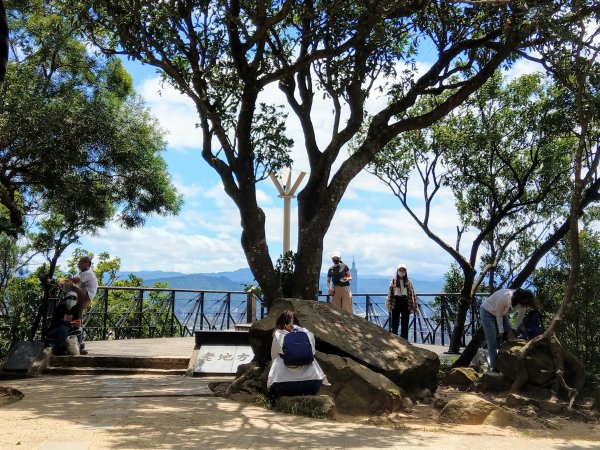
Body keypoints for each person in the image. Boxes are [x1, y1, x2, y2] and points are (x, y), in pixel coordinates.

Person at [267, 310, 329, 404]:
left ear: (283, 324)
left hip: (284, 386)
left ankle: (271, 403)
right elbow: (312, 353)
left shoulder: (279, 334)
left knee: (277, 361)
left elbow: (273, 357)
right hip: (313, 384)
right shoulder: (308, 333)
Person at [480, 288, 537, 372]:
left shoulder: (523, 304)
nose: (525, 308)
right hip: (487, 311)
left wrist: (513, 329)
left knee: (511, 337)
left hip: (502, 314)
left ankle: (510, 363)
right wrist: (501, 332)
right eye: (524, 306)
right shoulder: (504, 297)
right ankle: (494, 367)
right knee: (492, 341)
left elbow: (519, 318)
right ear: (518, 300)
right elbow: (498, 315)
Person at [58, 256, 98, 355]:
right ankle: (79, 344)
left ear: (86, 263)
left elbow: (74, 280)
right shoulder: (85, 273)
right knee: (77, 319)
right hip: (86, 298)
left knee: (71, 285)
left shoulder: (87, 273)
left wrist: (63, 281)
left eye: (80, 262)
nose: (78, 264)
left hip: (86, 295)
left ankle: (57, 284)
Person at [385, 263, 418, 339]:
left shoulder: (408, 281)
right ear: (397, 271)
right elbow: (390, 294)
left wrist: (415, 306)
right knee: (395, 322)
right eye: (400, 270)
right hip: (395, 301)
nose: (402, 272)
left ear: (405, 272)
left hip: (405, 302)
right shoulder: (393, 281)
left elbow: (412, 294)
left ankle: (404, 339)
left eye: (403, 270)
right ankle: (394, 338)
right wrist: (389, 305)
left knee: (405, 322)